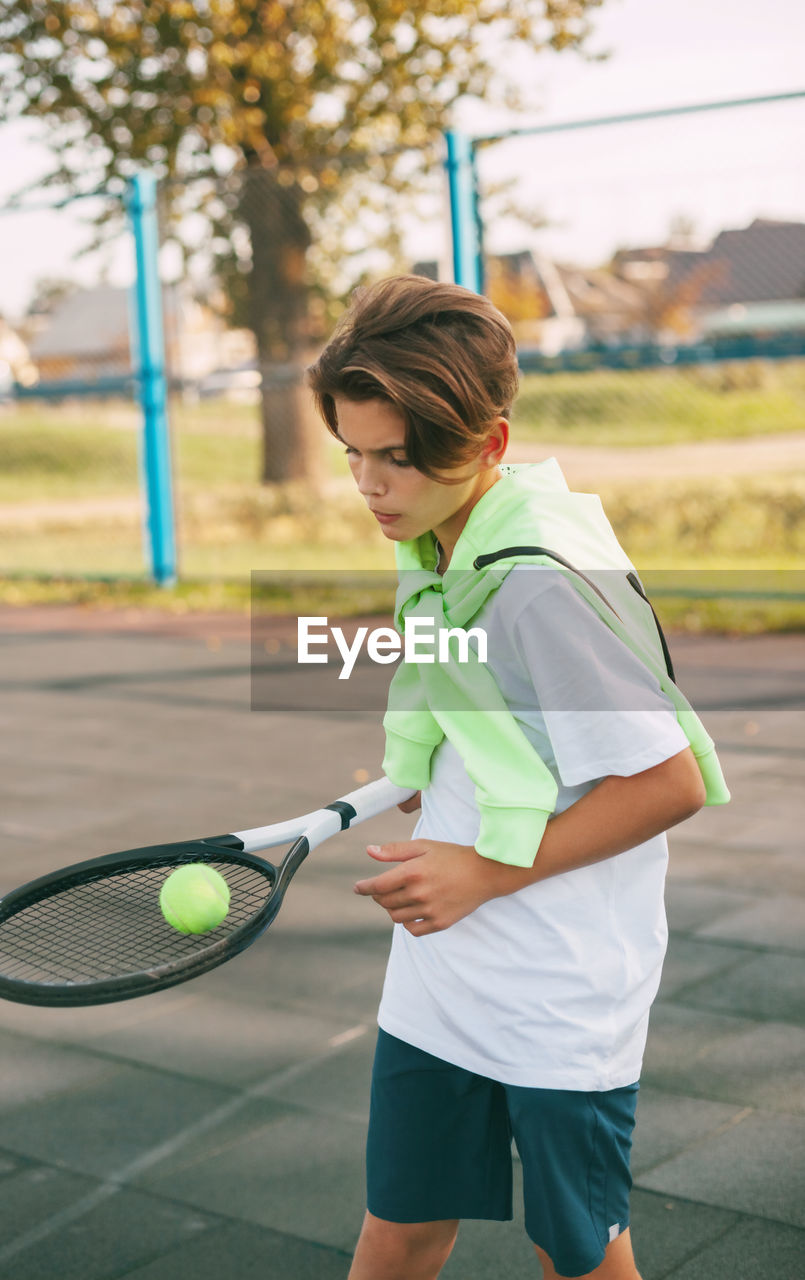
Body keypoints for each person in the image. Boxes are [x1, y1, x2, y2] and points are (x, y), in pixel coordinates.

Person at [306, 276, 729, 1280]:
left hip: (558, 983)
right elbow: (502, 709)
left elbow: (667, 780)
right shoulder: (445, 536)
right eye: (354, 453)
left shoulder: (540, 584)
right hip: (445, 973)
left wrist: (482, 871)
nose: (370, 482)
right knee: (399, 1227)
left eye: (397, 457)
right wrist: (443, 764)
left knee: (575, 1249)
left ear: (488, 445)